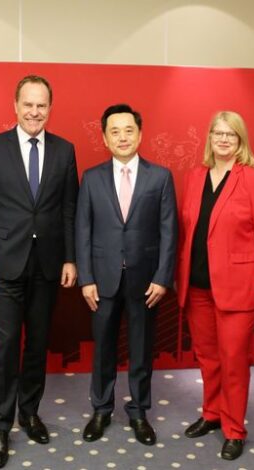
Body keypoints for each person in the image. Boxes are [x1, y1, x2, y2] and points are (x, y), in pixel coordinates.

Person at [0, 75, 79, 468]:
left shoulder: (65, 151)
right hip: (4, 263)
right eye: (28, 104)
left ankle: (29, 412)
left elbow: (69, 209)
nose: (35, 112)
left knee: (37, 343)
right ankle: (1, 425)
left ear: (50, 108)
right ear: (15, 106)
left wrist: (70, 258)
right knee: (4, 347)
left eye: (42, 105)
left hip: (48, 263)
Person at [175, 111, 254, 460]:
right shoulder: (194, 177)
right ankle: (212, 414)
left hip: (239, 287)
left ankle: (234, 429)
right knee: (208, 358)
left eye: (230, 134)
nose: (222, 139)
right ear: (209, 138)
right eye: (217, 133)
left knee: (234, 361)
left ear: (240, 140)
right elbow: (188, 231)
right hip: (198, 286)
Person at [76, 104, 177, 447]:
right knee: (103, 348)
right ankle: (101, 409)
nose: (122, 136)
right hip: (101, 280)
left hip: (145, 281)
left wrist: (163, 278)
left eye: (129, 130)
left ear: (140, 134)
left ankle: (138, 412)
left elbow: (168, 231)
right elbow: (82, 231)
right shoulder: (90, 178)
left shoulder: (160, 177)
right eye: (114, 131)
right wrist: (86, 278)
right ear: (104, 137)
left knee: (141, 349)